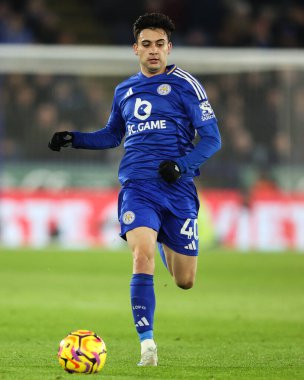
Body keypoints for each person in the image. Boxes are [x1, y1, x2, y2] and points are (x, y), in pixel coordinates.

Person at [48, 13, 221, 367]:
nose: (153, 51)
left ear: (169, 48)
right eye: (146, 45)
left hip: (178, 189)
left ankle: (159, 235)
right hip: (137, 188)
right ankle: (147, 346)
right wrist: (74, 138)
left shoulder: (186, 84)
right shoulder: (124, 90)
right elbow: (113, 135)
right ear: (135, 49)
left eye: (160, 44)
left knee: (184, 280)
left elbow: (213, 139)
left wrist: (182, 166)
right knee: (140, 257)